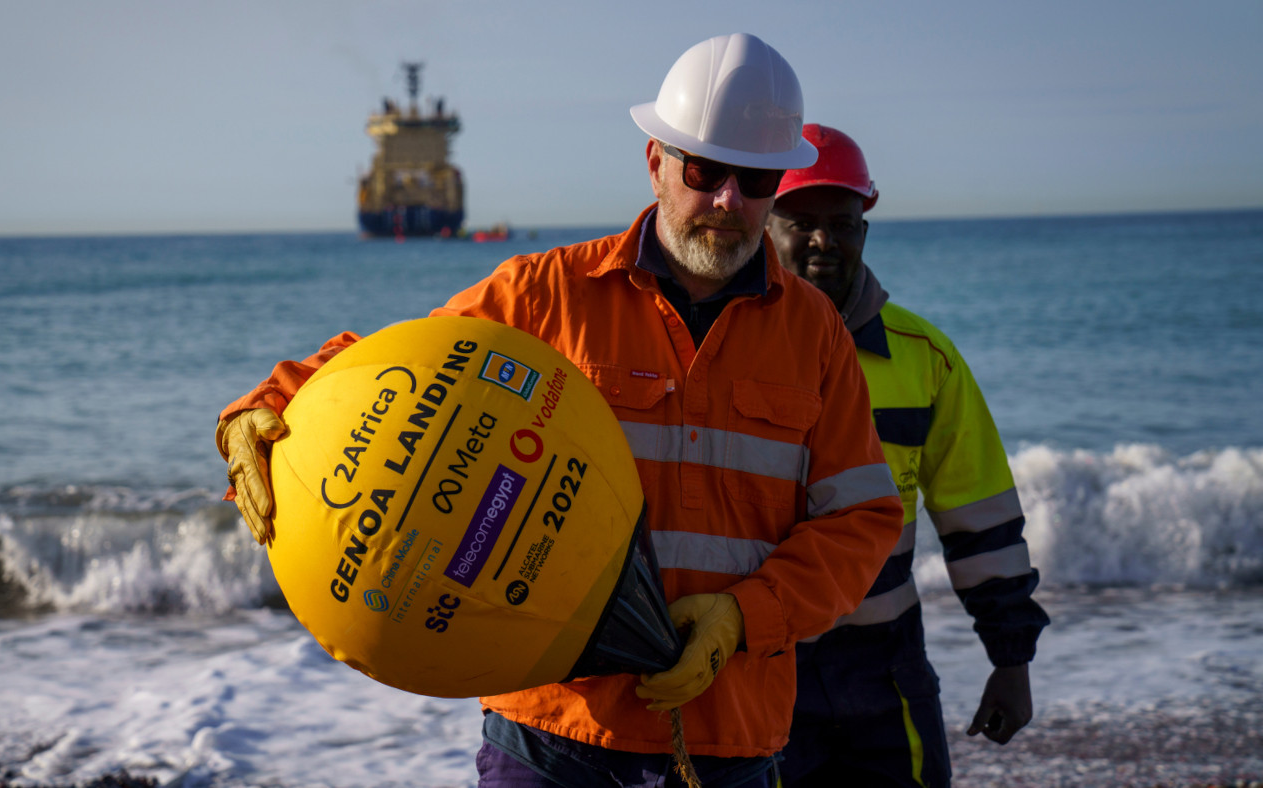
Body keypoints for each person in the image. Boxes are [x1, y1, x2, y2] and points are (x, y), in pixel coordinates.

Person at [217, 36, 904, 788]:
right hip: (552, 736)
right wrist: (264, 406)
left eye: (756, 176)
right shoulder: (545, 294)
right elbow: (396, 371)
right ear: (656, 162)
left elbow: (861, 520)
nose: (727, 200)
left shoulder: (815, 334)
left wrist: (746, 617)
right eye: (705, 171)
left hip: (730, 737)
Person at [764, 124, 1051, 787]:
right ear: (762, 221)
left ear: (866, 221)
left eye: (842, 222)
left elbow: (981, 524)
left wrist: (1011, 661)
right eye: (801, 222)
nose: (822, 241)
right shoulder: (724, 355)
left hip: (886, 667)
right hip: (757, 664)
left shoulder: (927, 359)